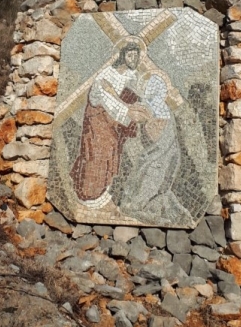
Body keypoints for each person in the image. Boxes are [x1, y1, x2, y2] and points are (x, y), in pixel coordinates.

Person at [70, 40, 149, 207]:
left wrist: (136, 105)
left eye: (136, 56)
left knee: (112, 152)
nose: (133, 59)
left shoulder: (132, 75)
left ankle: (103, 189)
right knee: (97, 154)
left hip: (113, 123)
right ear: (122, 55)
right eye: (130, 55)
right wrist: (127, 112)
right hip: (98, 119)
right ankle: (89, 195)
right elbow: (104, 99)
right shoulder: (106, 74)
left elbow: (132, 95)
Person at [118, 72, 194, 225]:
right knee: (157, 184)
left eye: (149, 87)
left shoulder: (156, 108)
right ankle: (174, 214)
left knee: (150, 179)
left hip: (160, 156)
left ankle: (141, 209)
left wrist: (142, 118)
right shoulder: (162, 108)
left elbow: (152, 131)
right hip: (165, 155)